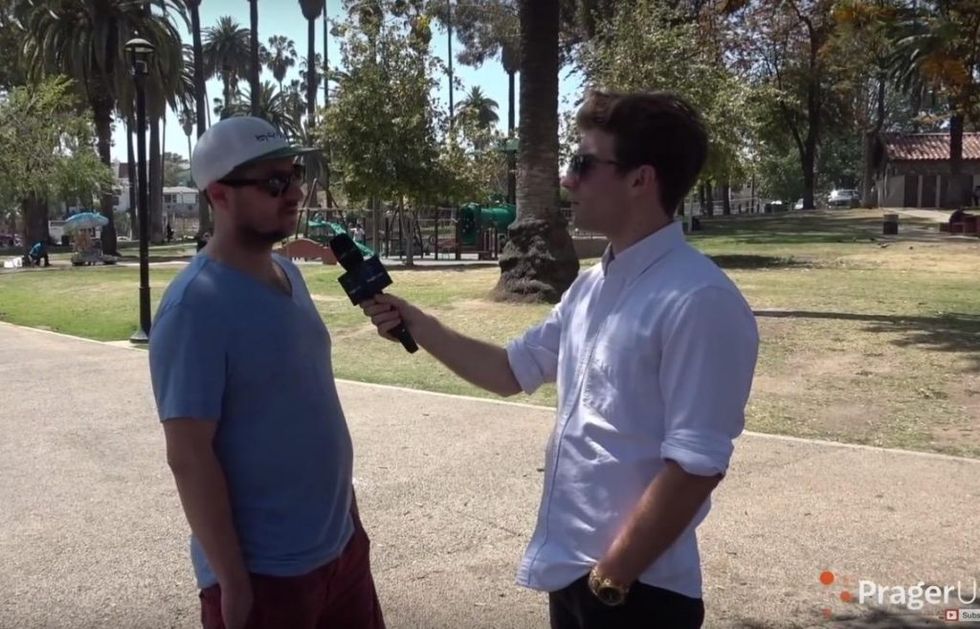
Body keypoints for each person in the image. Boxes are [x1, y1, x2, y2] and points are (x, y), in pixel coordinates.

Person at [361, 90, 759, 629]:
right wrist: (419, 324)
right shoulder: (590, 287)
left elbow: (695, 466)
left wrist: (612, 578)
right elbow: (510, 371)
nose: (568, 180)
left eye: (582, 163)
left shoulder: (699, 300)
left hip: (638, 592)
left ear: (641, 179)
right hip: (575, 577)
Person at [148, 116, 386, 629]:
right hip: (266, 576)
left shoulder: (290, 274)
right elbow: (189, 456)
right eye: (274, 182)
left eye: (294, 175)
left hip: (341, 550)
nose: (294, 192)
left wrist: (348, 517)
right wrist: (233, 582)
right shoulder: (194, 307)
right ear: (219, 195)